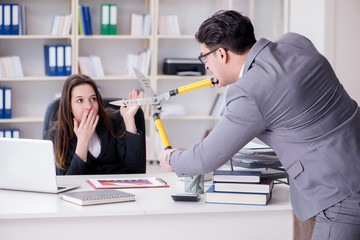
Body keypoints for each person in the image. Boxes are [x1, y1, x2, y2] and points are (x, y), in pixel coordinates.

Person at [158, 10, 360, 239]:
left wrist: (171, 158)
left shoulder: (247, 93)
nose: (205, 66)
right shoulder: (295, 42)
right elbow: (287, 93)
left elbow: (205, 158)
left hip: (341, 196)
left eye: (204, 57)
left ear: (221, 54)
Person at [46, 74, 146, 175]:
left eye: (93, 99)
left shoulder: (114, 121)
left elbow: (135, 171)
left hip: (115, 188)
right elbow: (66, 183)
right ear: (69, 106)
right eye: (80, 100)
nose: (89, 106)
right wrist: (83, 142)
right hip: (82, 190)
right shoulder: (57, 133)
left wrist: (129, 120)